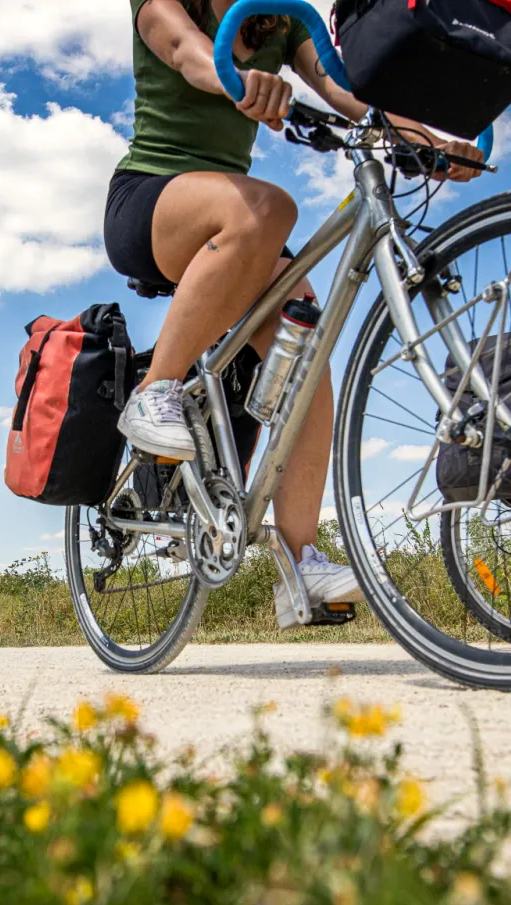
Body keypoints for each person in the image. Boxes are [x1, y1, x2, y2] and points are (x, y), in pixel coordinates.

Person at [105, 0, 483, 626]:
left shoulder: (284, 19)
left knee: (310, 347)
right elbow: (185, 53)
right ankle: (155, 392)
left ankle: (300, 563)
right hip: (152, 202)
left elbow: (345, 92)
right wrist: (237, 77)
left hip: (237, 228)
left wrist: (428, 140)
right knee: (270, 208)